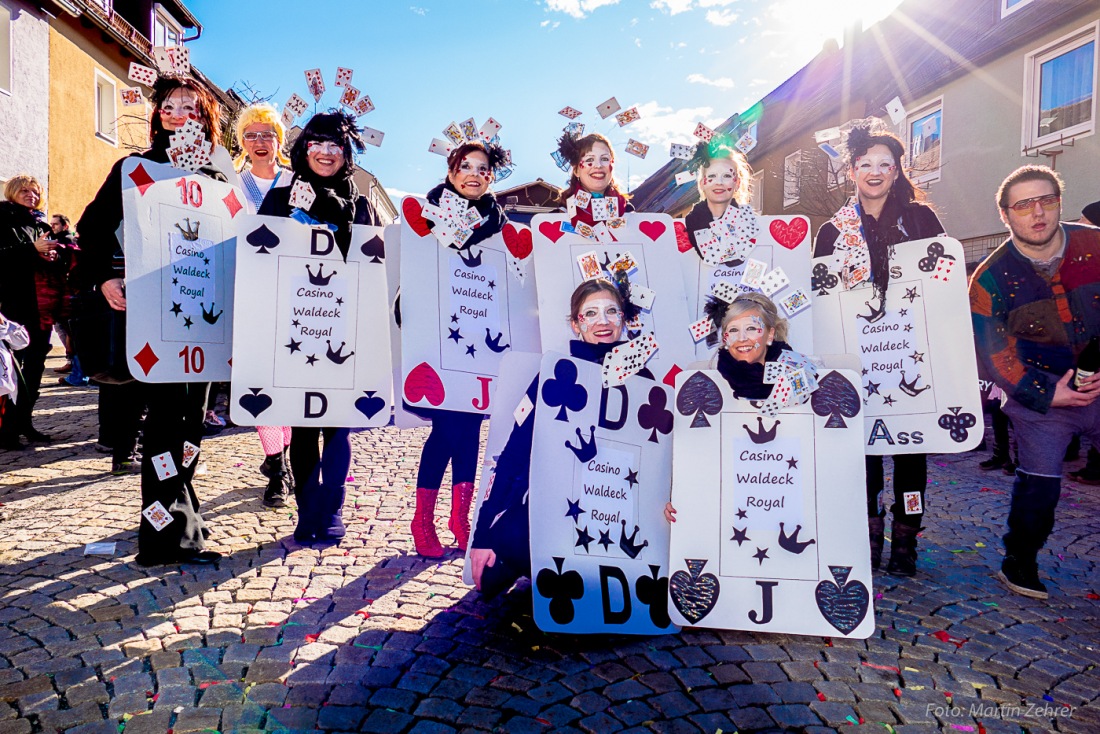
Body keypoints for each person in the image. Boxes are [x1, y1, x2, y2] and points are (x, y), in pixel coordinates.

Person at [77, 76, 226, 566]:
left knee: (191, 430)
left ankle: (186, 529)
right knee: (164, 427)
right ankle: (159, 540)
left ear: (205, 119)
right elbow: (92, 228)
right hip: (157, 319)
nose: (179, 112)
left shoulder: (218, 180)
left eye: (190, 106)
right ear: (158, 115)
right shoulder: (135, 169)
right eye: (169, 105)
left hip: (205, 323)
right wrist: (104, 278)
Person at [813, 121, 944, 577]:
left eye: (884, 164)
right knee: (863, 455)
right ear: (852, 170)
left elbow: (941, 282)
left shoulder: (921, 220)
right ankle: (868, 535)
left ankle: (906, 537)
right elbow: (822, 300)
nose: (874, 171)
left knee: (912, 455)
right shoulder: (832, 232)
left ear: (896, 170)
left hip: (910, 354)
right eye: (865, 163)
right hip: (859, 359)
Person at [469, 277, 647, 596]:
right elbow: (512, 456)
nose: (602, 322)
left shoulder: (644, 380)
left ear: (625, 318)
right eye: (590, 313)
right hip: (556, 503)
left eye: (611, 311)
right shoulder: (554, 373)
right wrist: (482, 535)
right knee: (490, 580)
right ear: (576, 324)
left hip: (614, 506)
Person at [970, 165, 1100, 599]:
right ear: (1006, 215)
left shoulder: (1096, 245)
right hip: (1038, 394)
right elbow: (993, 354)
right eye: (1024, 205)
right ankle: (1019, 560)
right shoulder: (989, 278)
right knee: (1038, 487)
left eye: (1046, 200)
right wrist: (1046, 393)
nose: (1037, 213)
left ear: (1059, 202)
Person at [259, 110, 380, 544]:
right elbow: (259, 258)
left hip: (343, 330)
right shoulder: (281, 197)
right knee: (304, 425)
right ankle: (306, 510)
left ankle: (332, 510)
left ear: (346, 153)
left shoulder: (360, 203)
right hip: (295, 329)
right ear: (303, 148)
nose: (326, 153)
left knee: (339, 426)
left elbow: (373, 265)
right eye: (318, 143)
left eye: (336, 145)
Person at [409, 139, 508, 557]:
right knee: (445, 433)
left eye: (482, 168)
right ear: (450, 172)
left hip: (480, 346)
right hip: (439, 344)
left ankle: (459, 517)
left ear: (491, 177)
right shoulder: (428, 217)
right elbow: (412, 272)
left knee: (470, 431)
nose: (473, 173)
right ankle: (423, 520)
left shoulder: (499, 225)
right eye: (464, 165)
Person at [665, 292, 798, 523]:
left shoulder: (803, 376)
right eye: (734, 330)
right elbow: (693, 458)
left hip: (785, 505)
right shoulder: (702, 386)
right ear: (725, 338)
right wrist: (677, 498)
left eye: (752, 328)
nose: (742, 338)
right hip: (726, 514)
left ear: (770, 334)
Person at [234, 102, 294, 507]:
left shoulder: (297, 182)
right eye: (251, 135)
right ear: (241, 141)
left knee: (289, 379)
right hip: (247, 291)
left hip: (294, 293)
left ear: (279, 140)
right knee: (260, 381)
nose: (259, 142)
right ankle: (275, 462)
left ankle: (285, 455)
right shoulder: (231, 184)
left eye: (267, 134)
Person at [0, 175, 62, 450]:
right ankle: (6, 430)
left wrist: (53, 257)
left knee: (35, 367)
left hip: (41, 307)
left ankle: (25, 421)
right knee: (12, 371)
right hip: (13, 305)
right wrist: (30, 249)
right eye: (25, 191)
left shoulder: (41, 225)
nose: (31, 195)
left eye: (35, 192)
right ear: (12, 192)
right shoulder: (2, 219)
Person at [680, 138, 756, 254]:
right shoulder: (687, 224)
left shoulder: (752, 223)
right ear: (702, 184)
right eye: (712, 176)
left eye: (726, 175)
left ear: (737, 183)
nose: (719, 182)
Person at [554, 132, 634, 227]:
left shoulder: (628, 210)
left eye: (604, 159)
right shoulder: (559, 214)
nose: (598, 165)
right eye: (589, 160)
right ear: (576, 171)